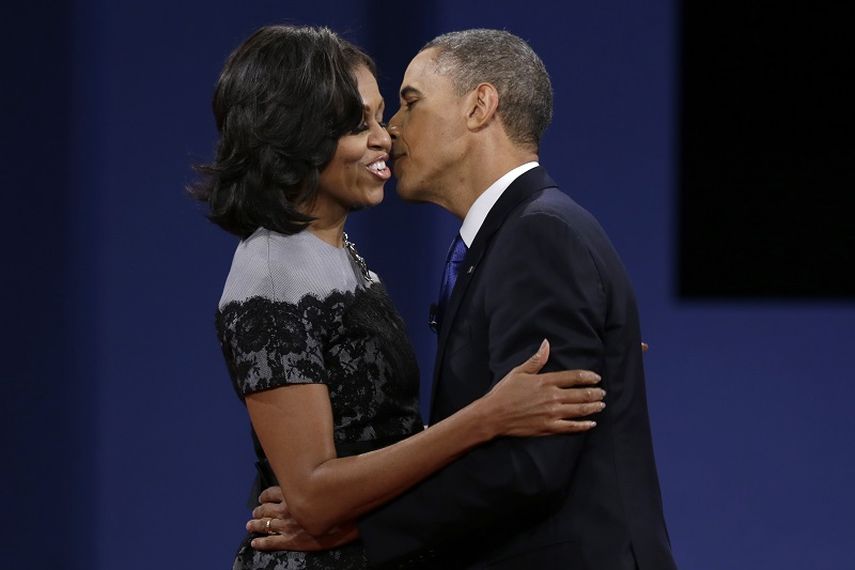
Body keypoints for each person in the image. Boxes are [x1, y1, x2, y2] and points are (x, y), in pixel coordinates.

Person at [251, 29, 677, 569]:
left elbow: (530, 466)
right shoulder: (507, 240)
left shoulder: (539, 235)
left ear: (479, 106)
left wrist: (353, 527)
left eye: (409, 104)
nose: (393, 132)